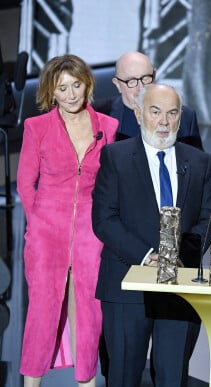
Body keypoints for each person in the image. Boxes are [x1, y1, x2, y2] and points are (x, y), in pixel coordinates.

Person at [92, 83, 211, 387]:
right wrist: (148, 257)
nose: (164, 121)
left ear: (180, 118)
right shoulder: (115, 157)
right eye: (155, 111)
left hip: (180, 285)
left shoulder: (199, 162)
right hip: (125, 285)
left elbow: (207, 220)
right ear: (138, 113)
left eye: (172, 113)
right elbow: (104, 220)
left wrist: (179, 259)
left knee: (173, 376)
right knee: (122, 377)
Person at [16, 54, 118, 387]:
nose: (71, 94)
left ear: (87, 84)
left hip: (91, 231)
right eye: (63, 88)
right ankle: (31, 383)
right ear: (51, 92)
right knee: (43, 312)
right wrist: (37, 224)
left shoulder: (108, 126)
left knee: (89, 312)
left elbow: (109, 183)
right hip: (46, 232)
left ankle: (86, 381)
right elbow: (25, 182)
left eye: (76, 85)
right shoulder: (37, 127)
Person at [93, 50, 203, 150]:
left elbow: (198, 165)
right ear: (117, 84)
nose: (140, 87)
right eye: (131, 81)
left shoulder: (185, 117)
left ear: (154, 76)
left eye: (146, 79)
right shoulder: (97, 114)